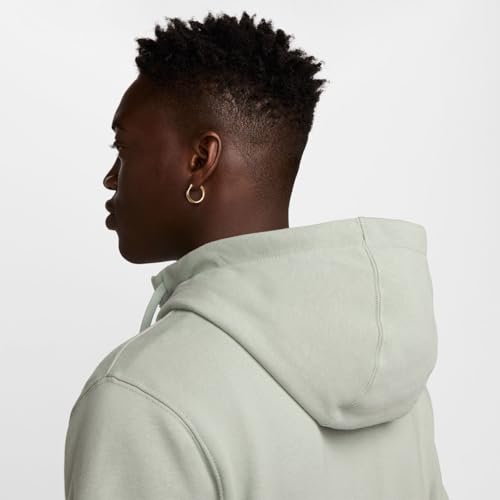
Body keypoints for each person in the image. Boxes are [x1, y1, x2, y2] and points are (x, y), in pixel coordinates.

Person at [64, 10, 449, 500]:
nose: (111, 177)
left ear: (200, 160)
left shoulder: (143, 395)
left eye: (123, 148)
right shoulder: (396, 386)